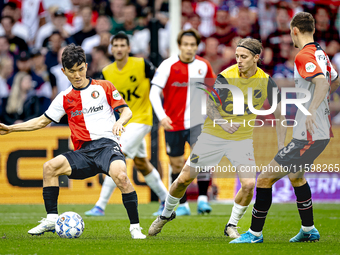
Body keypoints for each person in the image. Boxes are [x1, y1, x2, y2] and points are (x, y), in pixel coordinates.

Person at [0, 44, 146, 239]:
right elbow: (42, 121)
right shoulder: (64, 98)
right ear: (64, 71)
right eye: (72, 71)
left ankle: (135, 228)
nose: (77, 75)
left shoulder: (104, 86)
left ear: (86, 66)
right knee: (49, 167)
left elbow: (126, 110)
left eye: (80, 69)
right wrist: (10, 129)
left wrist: (120, 121)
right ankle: (52, 219)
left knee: (121, 176)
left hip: (107, 146)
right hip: (83, 153)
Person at [148, 37, 286, 237]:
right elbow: (210, 106)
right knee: (183, 180)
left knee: (248, 185)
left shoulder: (266, 82)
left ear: (256, 57)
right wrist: (223, 123)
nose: (238, 60)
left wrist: (282, 144)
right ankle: (166, 214)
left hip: (242, 140)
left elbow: (280, 113)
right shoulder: (226, 76)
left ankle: (231, 224)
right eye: (237, 56)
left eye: (244, 57)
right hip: (212, 136)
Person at [230, 12, 340, 244]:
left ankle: (254, 234)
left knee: (264, 180)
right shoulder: (321, 53)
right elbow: (333, 79)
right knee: (296, 177)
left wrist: (311, 110)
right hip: (319, 132)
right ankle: (309, 230)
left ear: (294, 30)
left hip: (310, 133)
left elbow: (321, 82)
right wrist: (319, 103)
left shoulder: (304, 55)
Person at [85, 32, 168, 217]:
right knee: (142, 163)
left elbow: (160, 83)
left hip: (142, 119)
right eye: (116, 45)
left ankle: (100, 205)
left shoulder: (142, 64)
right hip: (123, 123)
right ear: (111, 49)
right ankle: (166, 200)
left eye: (123, 45)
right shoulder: (107, 72)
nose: (120, 49)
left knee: (116, 156)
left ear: (129, 48)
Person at [149, 28, 216, 216]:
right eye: (185, 45)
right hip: (173, 124)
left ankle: (203, 199)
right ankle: (184, 205)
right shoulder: (167, 66)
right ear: (179, 46)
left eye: (192, 45)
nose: (189, 48)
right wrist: (162, 116)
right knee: (177, 165)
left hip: (197, 122)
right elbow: (154, 93)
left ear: (196, 46)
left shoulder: (203, 66)